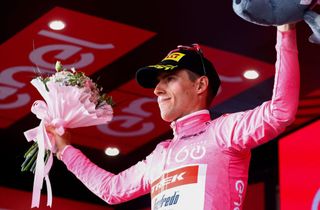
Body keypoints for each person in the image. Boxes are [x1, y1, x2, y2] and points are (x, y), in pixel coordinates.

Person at [48, 23, 299, 210]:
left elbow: (280, 112)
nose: (157, 90)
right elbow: (110, 190)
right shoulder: (160, 154)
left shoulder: (223, 132)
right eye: (158, 83)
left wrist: (285, 31)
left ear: (200, 85)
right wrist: (65, 150)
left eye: (169, 79)